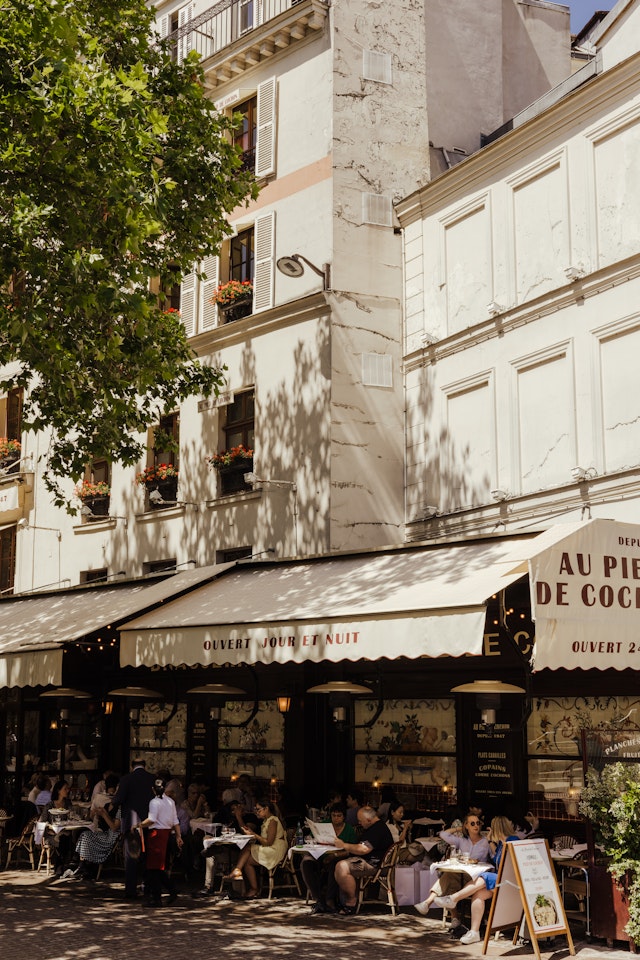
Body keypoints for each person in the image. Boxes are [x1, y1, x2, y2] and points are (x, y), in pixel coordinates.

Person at [432, 816, 519, 944]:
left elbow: (511, 865)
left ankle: (453, 898)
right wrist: (490, 841)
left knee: (484, 877)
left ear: (497, 828)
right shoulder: (501, 843)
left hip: (511, 881)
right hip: (501, 881)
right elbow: (496, 860)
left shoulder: (513, 841)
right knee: (478, 895)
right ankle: (474, 932)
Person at [414, 810, 490, 928]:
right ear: (466, 825)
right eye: (472, 823)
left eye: (478, 823)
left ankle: (431, 904)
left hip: (475, 877)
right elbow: (443, 835)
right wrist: (459, 829)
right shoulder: (462, 840)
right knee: (449, 878)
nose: (476, 826)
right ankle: (450, 915)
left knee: (448, 878)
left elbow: (493, 858)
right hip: (461, 874)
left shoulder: (485, 841)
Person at [327, 805, 393, 915]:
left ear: (368, 820)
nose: (359, 823)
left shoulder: (377, 829)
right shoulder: (374, 827)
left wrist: (344, 845)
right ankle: (332, 900)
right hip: (370, 861)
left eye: (360, 821)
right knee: (335, 862)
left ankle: (351, 902)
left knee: (341, 866)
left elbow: (364, 849)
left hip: (374, 864)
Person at [109, 757, 155, 899]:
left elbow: (118, 799)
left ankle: (131, 891)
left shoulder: (126, 779)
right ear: (144, 765)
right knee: (148, 856)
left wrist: (112, 804)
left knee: (131, 857)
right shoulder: (152, 778)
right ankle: (148, 887)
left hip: (131, 822)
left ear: (132, 766)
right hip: (149, 821)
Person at [301, 801, 357, 915]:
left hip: (338, 857)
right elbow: (313, 839)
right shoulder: (324, 824)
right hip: (321, 855)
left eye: (339, 816)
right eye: (333, 815)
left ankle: (329, 899)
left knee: (335, 865)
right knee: (306, 862)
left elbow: (351, 850)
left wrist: (335, 855)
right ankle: (318, 899)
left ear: (344, 817)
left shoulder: (349, 830)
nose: (336, 818)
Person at [196, 798, 260, 897]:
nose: (237, 810)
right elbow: (221, 833)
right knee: (210, 854)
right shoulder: (229, 821)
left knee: (213, 852)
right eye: (233, 809)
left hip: (242, 852)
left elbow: (248, 832)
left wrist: (239, 817)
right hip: (227, 849)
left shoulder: (250, 817)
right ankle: (208, 887)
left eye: (238, 807)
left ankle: (236, 890)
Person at [226, 798, 287, 898]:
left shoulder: (273, 820)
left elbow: (269, 842)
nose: (257, 812)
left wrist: (254, 834)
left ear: (266, 809)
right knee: (247, 861)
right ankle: (253, 888)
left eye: (258, 810)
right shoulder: (265, 821)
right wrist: (249, 831)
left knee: (249, 847)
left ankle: (237, 871)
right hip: (269, 848)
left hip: (275, 850)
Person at [138, 778, 183, 908]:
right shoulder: (170, 802)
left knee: (153, 868)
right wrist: (179, 836)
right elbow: (175, 821)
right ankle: (170, 890)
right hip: (167, 834)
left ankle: (157, 898)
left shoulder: (154, 802)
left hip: (156, 835)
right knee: (158, 868)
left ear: (153, 789)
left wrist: (139, 824)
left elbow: (151, 820)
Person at [39, 779, 74, 876]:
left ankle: (60, 866)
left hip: (65, 832)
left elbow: (71, 817)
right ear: (58, 790)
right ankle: (61, 866)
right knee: (64, 839)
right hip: (51, 835)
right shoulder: (49, 805)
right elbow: (42, 821)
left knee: (67, 837)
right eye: (65, 789)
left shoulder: (68, 803)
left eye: (68, 789)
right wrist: (50, 830)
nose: (68, 790)